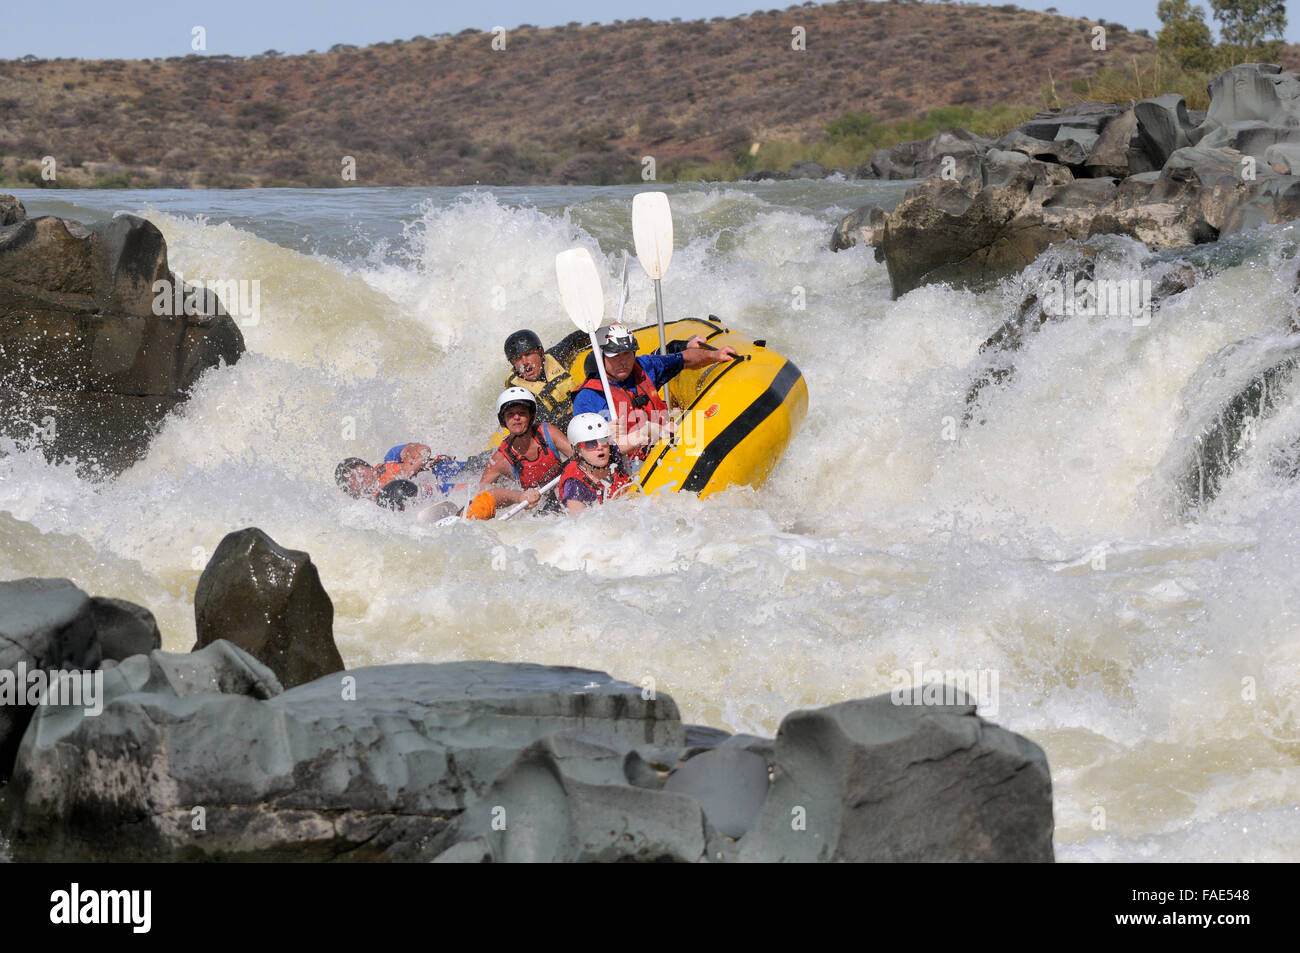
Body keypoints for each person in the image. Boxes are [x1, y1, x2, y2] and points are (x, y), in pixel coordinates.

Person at [570, 323, 737, 459]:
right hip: (631, 465)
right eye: (615, 356)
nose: (623, 362)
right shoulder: (587, 398)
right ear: (600, 357)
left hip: (664, 445)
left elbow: (684, 359)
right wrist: (605, 434)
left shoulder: (644, 367)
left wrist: (715, 355)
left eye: (627, 354)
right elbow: (584, 452)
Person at [478, 387, 572, 511]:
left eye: (522, 413)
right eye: (510, 414)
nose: (516, 417)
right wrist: (518, 497)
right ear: (503, 420)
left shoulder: (547, 432)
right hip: (539, 508)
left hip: (563, 490)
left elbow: (579, 456)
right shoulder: (501, 458)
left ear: (530, 416)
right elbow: (481, 491)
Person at [559, 413, 634, 512]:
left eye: (604, 439)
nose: (600, 447)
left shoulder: (611, 452)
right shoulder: (574, 487)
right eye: (591, 444)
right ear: (578, 451)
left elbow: (643, 435)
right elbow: (581, 524)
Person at [503, 329, 576, 426]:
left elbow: (573, 340)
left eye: (528, 354)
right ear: (513, 363)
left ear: (540, 352)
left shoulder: (555, 356)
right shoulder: (518, 392)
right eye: (518, 358)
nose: (524, 362)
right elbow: (544, 424)